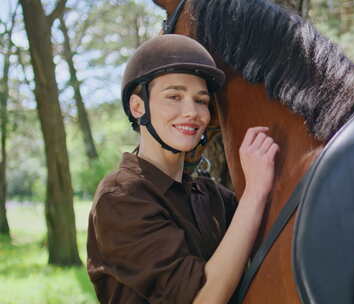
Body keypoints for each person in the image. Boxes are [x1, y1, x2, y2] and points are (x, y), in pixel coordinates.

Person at [86, 34, 278, 304]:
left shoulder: (213, 197)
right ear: (138, 107)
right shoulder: (120, 197)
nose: (192, 112)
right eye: (174, 96)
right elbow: (202, 299)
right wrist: (256, 190)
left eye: (201, 100)